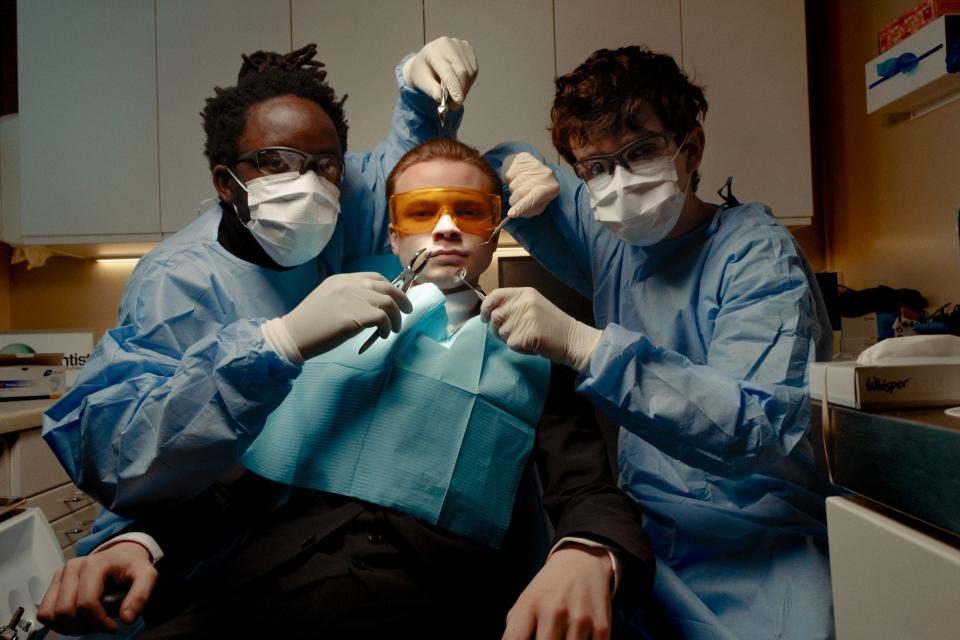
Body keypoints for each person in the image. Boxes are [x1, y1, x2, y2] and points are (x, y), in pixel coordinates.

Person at [38, 139, 653, 640]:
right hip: (249, 597)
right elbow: (238, 483)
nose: (444, 229)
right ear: (392, 235)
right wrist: (142, 542)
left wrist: (589, 551)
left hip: (426, 604)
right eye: (421, 212)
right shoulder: (329, 321)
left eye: (468, 210)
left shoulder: (538, 352)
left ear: (496, 227)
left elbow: (589, 494)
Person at [41, 38, 477, 532]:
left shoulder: (341, 201)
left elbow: (403, 173)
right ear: (226, 183)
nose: (307, 184)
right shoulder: (177, 281)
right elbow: (120, 457)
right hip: (205, 533)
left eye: (325, 166)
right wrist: (275, 344)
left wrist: (419, 90)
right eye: (274, 162)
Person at [479, 47, 837, 639]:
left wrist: (585, 347)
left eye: (640, 151)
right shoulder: (612, 242)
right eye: (594, 167)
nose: (617, 181)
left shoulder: (756, 255)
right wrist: (515, 161)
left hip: (760, 545)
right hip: (649, 540)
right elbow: (483, 172)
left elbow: (758, 426)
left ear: (689, 148)